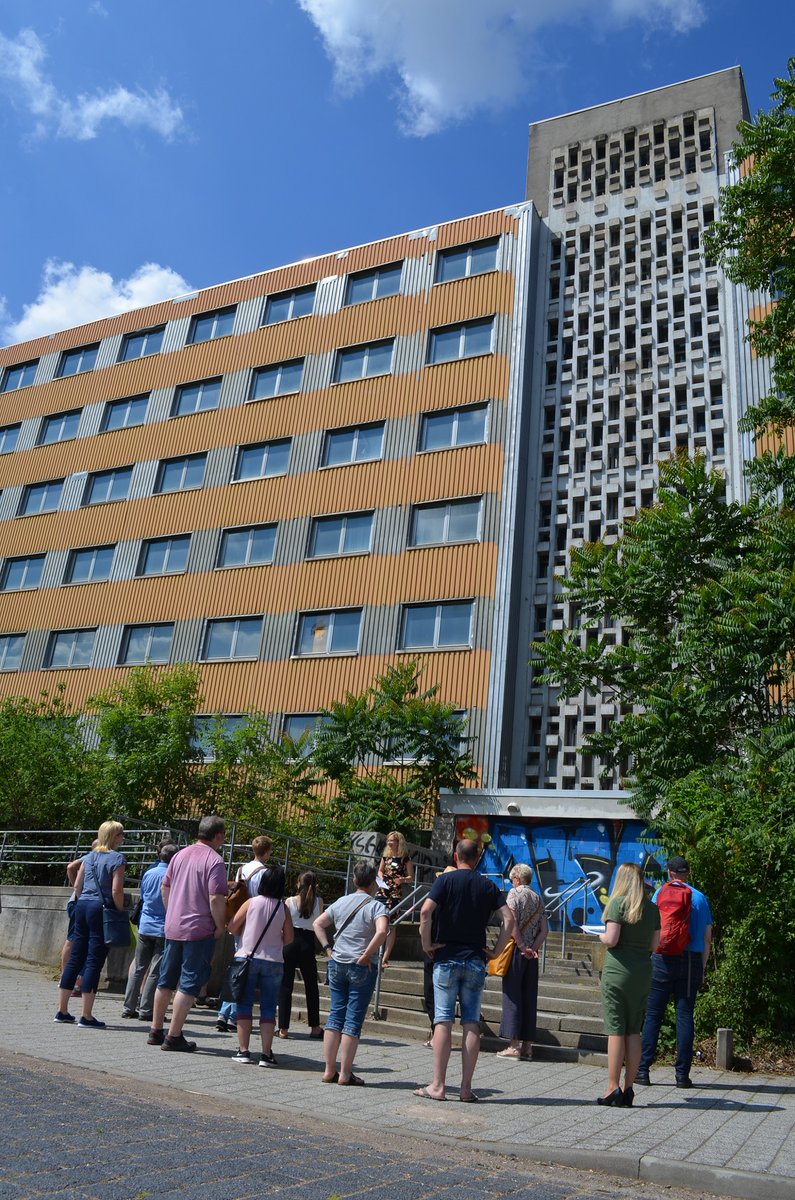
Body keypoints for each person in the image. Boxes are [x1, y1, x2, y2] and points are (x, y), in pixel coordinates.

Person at [415, 838, 513, 1102]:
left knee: (443, 1019)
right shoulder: (487, 885)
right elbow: (509, 918)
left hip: (446, 957)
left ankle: (438, 1085)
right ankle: (466, 1088)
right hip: (475, 960)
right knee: (471, 1021)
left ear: (456, 855)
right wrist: (497, 950)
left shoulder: (445, 881)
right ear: (478, 858)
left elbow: (425, 912)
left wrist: (427, 945)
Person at [147, 814, 228, 1053]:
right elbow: (215, 898)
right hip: (198, 930)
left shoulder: (179, 855)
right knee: (189, 984)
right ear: (219, 835)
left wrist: (172, 910)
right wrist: (219, 925)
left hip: (173, 927)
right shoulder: (215, 860)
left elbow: (166, 887)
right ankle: (174, 1036)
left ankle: (155, 1029)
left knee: (165, 980)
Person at [636, 855, 713, 1089]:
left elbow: (653, 929)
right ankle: (682, 1076)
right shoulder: (700, 898)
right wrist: (703, 966)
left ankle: (643, 1071)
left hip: (662, 959)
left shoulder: (661, 894)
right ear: (688, 873)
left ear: (670, 873)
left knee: (653, 1015)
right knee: (685, 1015)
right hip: (690, 961)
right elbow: (707, 938)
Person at [313, 861, 389, 1086]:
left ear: (354, 880)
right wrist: (367, 954)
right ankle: (345, 1074)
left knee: (335, 1015)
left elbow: (318, 923)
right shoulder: (376, 906)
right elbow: (383, 930)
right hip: (361, 966)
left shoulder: (341, 902)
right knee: (353, 1021)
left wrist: (328, 948)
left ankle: (329, 1070)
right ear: (374, 882)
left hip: (337, 963)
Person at [597, 862, 661, 1106]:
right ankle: (629, 1088)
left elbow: (612, 940)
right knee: (634, 1030)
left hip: (618, 972)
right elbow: (654, 946)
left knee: (616, 1030)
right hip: (642, 974)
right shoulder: (653, 909)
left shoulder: (618, 903)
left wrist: (599, 935)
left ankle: (612, 1087)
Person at [55, 821, 126, 1029]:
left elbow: (77, 884)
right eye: (121, 834)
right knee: (94, 960)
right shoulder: (118, 859)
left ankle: (63, 1010)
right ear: (114, 836)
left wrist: (84, 899)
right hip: (100, 909)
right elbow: (116, 891)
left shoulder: (88, 856)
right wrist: (119, 910)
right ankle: (86, 1015)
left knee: (76, 956)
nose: (123, 838)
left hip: (82, 906)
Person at [227, 864, 293, 1066]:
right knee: (268, 1008)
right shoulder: (283, 908)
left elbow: (232, 926)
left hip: (247, 958)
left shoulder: (251, 903)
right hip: (273, 961)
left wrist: (246, 936)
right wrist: (275, 941)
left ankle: (244, 1050)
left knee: (244, 1005)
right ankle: (266, 1054)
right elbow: (289, 938)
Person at [216, 835, 273, 1033]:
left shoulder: (242, 869)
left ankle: (224, 1012)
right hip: (254, 923)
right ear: (266, 852)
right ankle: (232, 1016)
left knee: (236, 966)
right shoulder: (265, 873)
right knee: (245, 972)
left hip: (238, 919)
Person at [497, 863, 548, 1060]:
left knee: (512, 994)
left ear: (517, 878)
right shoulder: (537, 898)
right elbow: (545, 930)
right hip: (532, 955)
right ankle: (528, 1047)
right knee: (529, 996)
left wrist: (522, 946)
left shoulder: (513, 894)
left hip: (517, 952)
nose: (512, 882)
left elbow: (512, 923)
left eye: (512, 879)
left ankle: (513, 1045)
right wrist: (533, 949)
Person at [122, 841, 178, 1021]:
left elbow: (144, 896)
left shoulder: (148, 873)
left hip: (145, 925)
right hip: (162, 928)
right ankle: (146, 1009)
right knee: (155, 971)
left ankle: (128, 1007)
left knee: (138, 967)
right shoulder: (173, 877)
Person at [278, 870, 324, 1040]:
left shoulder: (290, 901)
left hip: (290, 941)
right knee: (311, 986)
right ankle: (315, 1027)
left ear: (299, 883)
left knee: (286, 986)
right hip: (308, 942)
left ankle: (283, 1028)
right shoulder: (319, 902)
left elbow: (284, 923)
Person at [378, 831, 414, 968]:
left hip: (395, 893)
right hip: (382, 891)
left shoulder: (405, 858)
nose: (389, 842)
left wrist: (402, 880)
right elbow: (380, 870)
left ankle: (385, 958)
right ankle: (375, 954)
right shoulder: (385, 856)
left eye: (392, 840)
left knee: (391, 925)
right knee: (377, 920)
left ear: (399, 842)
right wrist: (381, 877)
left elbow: (411, 877)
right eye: (388, 840)